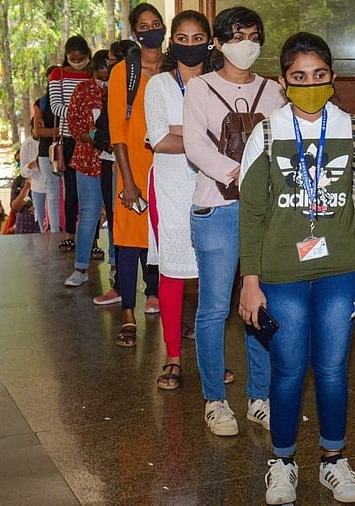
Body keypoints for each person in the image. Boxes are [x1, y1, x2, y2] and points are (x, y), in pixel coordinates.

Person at [238, 31, 355, 505]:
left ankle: (333, 459)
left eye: (319, 75)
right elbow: (252, 213)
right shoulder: (266, 133)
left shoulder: (354, 131)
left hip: (342, 271)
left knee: (333, 369)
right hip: (281, 273)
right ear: (283, 82)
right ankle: (282, 463)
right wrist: (250, 281)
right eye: (299, 77)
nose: (310, 84)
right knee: (287, 370)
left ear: (333, 77)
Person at [182, 6, 285, 435]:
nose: (247, 45)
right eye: (238, 37)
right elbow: (195, 147)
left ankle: (259, 396)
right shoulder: (200, 88)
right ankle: (215, 400)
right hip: (217, 209)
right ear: (219, 43)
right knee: (214, 307)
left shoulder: (274, 90)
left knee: (261, 302)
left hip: (266, 212)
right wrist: (240, 174)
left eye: (254, 37)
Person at [144, 10, 216, 389]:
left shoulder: (219, 84)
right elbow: (159, 140)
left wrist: (180, 132)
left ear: (210, 42)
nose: (191, 45)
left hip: (213, 189)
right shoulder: (159, 85)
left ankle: (211, 360)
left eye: (198, 37)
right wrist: (204, 137)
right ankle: (173, 357)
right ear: (172, 42)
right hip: (170, 191)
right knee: (172, 274)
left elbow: (229, 136)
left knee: (212, 278)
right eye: (183, 38)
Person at [109, 2, 165, 347]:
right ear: (134, 33)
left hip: (170, 170)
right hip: (133, 171)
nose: (151, 30)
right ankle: (128, 314)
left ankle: (170, 308)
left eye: (156, 23)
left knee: (167, 242)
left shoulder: (175, 67)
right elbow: (117, 131)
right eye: (143, 26)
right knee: (129, 245)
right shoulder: (123, 73)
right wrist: (128, 181)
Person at [91, 40, 139, 306]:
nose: (107, 64)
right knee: (118, 225)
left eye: (111, 60)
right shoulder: (113, 87)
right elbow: (106, 131)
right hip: (114, 162)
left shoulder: (150, 81)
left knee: (142, 227)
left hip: (142, 163)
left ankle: (151, 290)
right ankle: (120, 284)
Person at [64, 50, 112, 287]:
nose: (103, 81)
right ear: (92, 73)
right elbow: (72, 123)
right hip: (87, 159)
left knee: (115, 214)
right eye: (100, 77)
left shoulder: (121, 88)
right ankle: (80, 267)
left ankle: (116, 266)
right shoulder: (82, 90)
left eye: (107, 77)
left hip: (114, 160)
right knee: (88, 213)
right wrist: (89, 136)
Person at [50, 35, 93, 252]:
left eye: (81, 59)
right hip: (69, 138)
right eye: (73, 59)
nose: (77, 62)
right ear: (66, 57)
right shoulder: (58, 74)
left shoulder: (93, 73)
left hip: (91, 139)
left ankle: (92, 239)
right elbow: (55, 106)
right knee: (71, 190)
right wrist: (79, 115)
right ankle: (69, 234)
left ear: (88, 56)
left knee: (91, 193)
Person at [33, 66, 62, 233]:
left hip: (67, 149)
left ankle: (70, 227)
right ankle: (55, 230)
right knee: (52, 190)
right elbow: (38, 132)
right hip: (46, 152)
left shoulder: (70, 99)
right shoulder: (41, 103)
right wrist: (59, 131)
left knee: (69, 191)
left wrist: (49, 131)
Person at [19, 118, 47, 231]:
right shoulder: (27, 144)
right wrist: (31, 167)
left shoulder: (51, 140)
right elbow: (23, 172)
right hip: (38, 187)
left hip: (53, 185)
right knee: (41, 221)